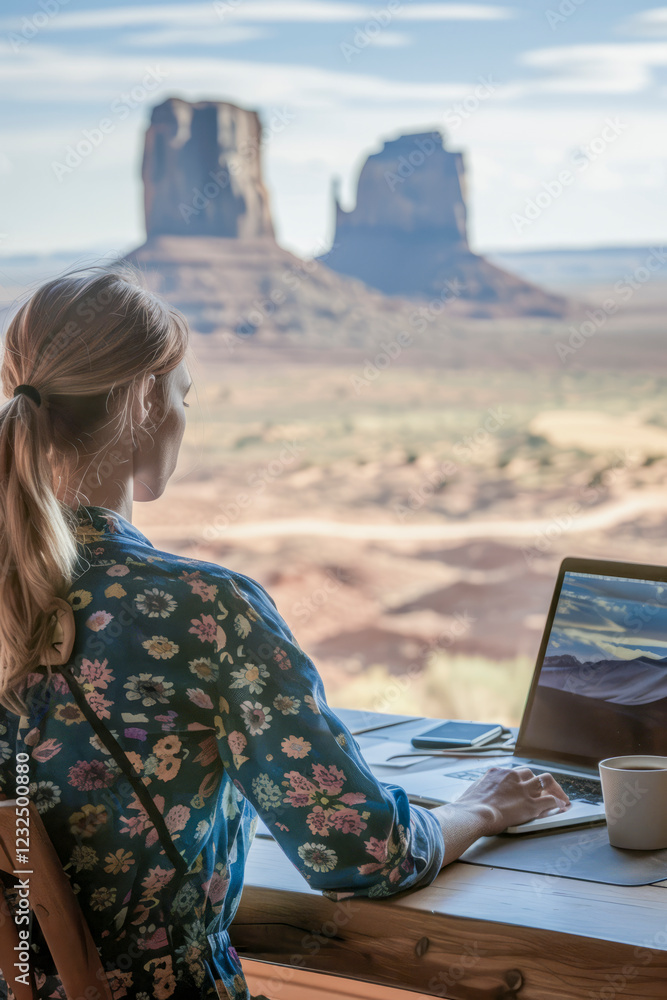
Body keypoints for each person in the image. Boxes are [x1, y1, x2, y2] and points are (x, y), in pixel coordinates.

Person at [0, 267, 569, 1000]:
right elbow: (360, 854)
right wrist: (484, 806)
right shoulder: (200, 610)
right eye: (182, 396)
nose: (182, 416)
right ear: (145, 401)